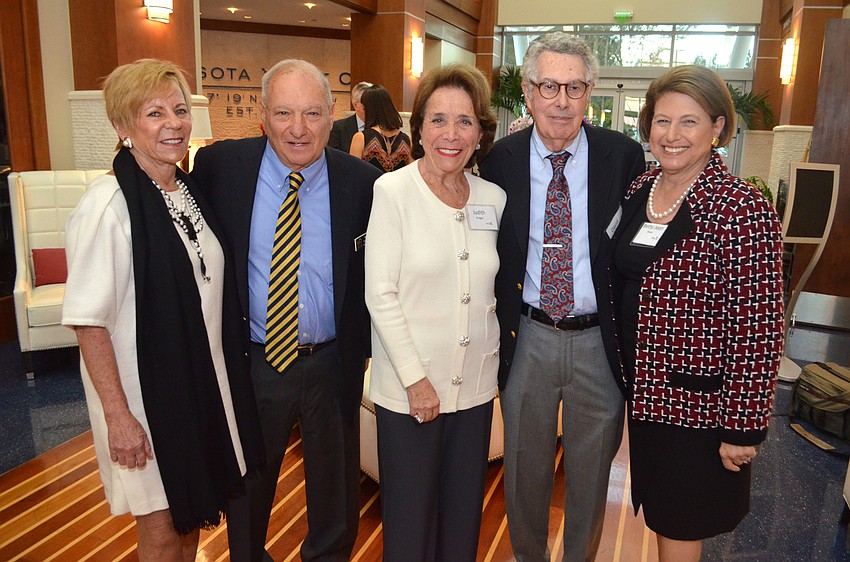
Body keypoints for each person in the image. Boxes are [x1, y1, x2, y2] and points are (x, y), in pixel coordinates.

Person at [62, 59, 264, 562]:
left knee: (193, 513)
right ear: (122, 126)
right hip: (144, 401)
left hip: (202, 391)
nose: (173, 123)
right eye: (154, 113)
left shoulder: (188, 193)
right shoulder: (107, 206)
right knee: (160, 529)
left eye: (179, 109)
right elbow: (89, 321)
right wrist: (118, 417)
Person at [191, 59, 381, 562]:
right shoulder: (220, 169)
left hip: (332, 362)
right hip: (255, 361)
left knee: (335, 495)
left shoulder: (363, 182)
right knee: (248, 487)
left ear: (333, 114)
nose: (298, 128)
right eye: (284, 113)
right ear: (262, 114)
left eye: (312, 113)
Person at [478, 32, 646, 562]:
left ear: (590, 93)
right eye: (549, 85)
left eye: (575, 87)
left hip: (599, 340)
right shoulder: (500, 159)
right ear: (528, 92)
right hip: (527, 334)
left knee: (592, 475)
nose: (562, 100)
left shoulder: (622, 156)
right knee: (524, 470)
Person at [610, 65, 784, 561]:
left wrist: (743, 426)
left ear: (718, 127)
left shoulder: (740, 207)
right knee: (665, 519)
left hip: (700, 410)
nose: (672, 135)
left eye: (689, 122)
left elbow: (760, 327)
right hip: (647, 402)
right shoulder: (640, 190)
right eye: (662, 121)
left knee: (681, 526)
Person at [365, 64, 503, 562]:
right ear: (418, 126)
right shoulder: (393, 192)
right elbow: (380, 294)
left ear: (479, 132)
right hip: (411, 394)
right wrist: (414, 379)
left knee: (463, 520)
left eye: (465, 121)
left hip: (475, 390)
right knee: (409, 525)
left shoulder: (493, 198)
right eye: (439, 119)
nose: (451, 134)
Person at [349, 84, 413, 172]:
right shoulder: (407, 141)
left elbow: (353, 174)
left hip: (370, 186)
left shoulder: (361, 138)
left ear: (368, 109)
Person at [328, 80, 373, 152]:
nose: (372, 106)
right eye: (367, 102)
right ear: (355, 105)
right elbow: (334, 158)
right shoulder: (338, 128)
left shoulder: (382, 127)